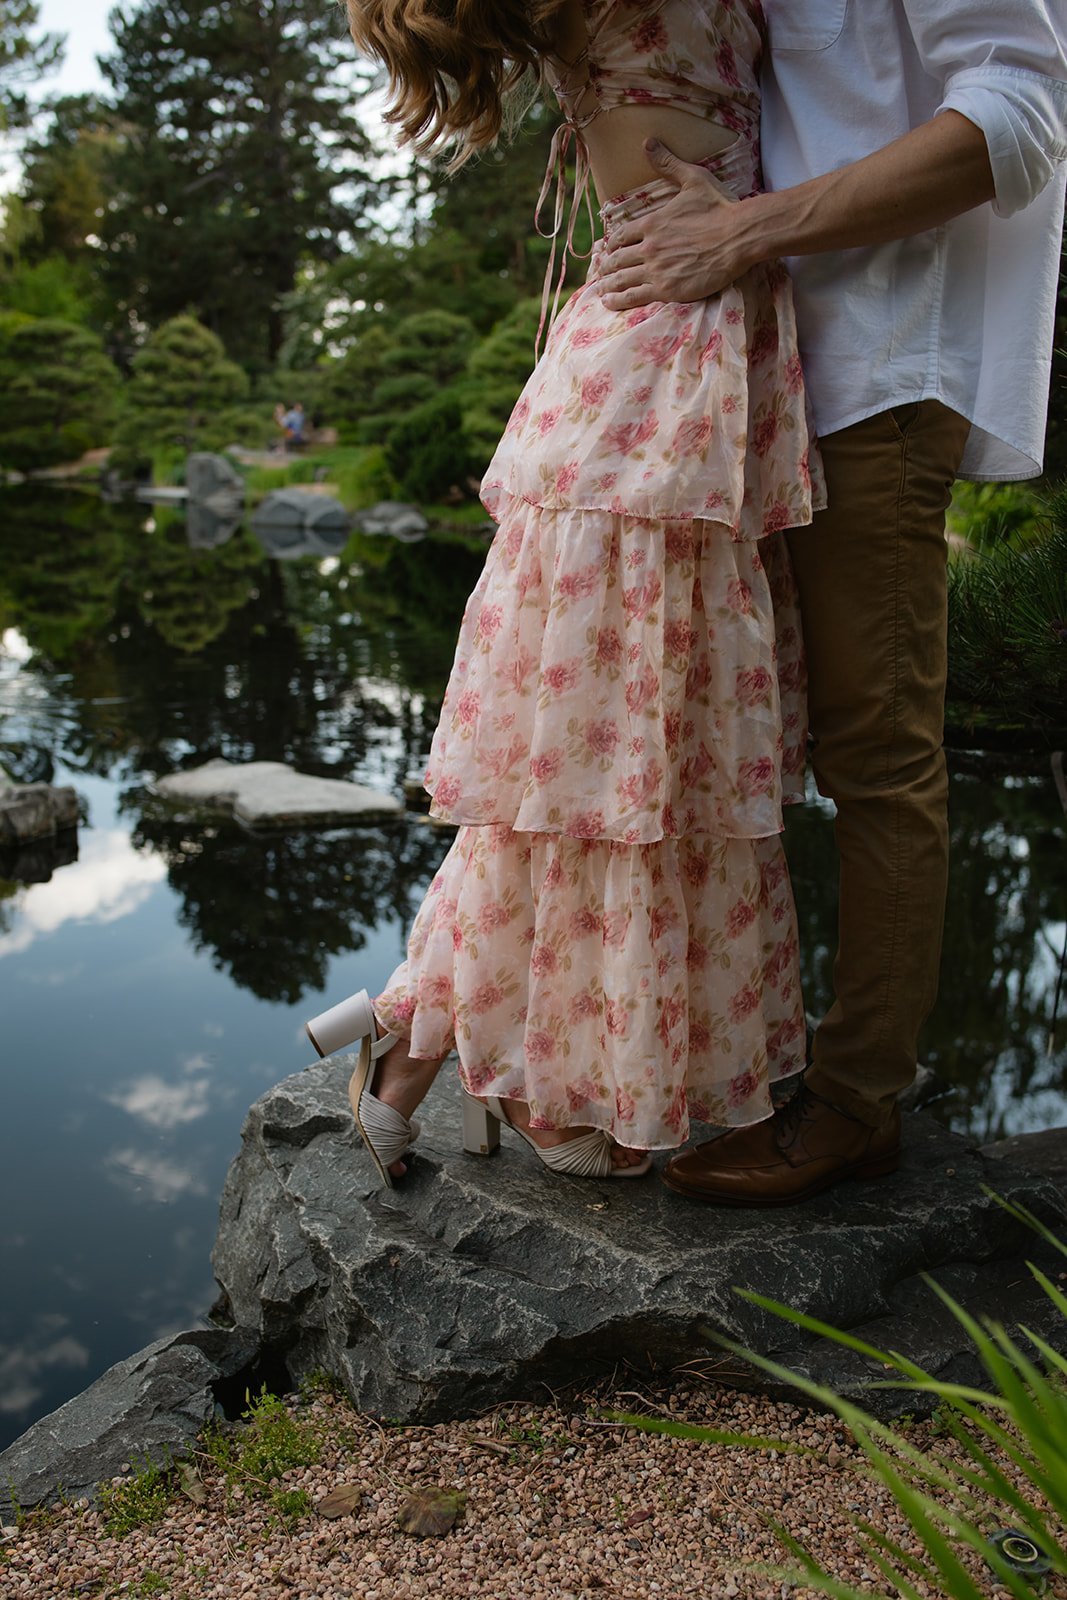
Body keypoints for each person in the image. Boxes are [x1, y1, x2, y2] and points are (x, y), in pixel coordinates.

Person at [304, 0, 825, 1186]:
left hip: (666, 357)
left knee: (617, 763)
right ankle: (455, 1051)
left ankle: (412, 1036)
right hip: (654, 372)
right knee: (606, 765)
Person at [592, 0, 1067, 1204]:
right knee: (685, 721)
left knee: (872, 742)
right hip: (729, 359)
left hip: (873, 362)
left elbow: (1017, 113)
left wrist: (743, 231)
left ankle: (858, 1099)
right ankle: (712, 1046)